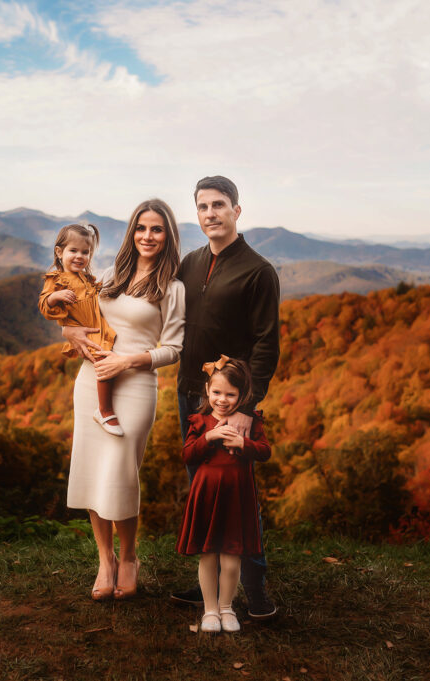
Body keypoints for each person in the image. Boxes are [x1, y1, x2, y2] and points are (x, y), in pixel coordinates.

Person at [59, 198, 185, 601]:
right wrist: (69, 332)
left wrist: (126, 361)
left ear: (168, 236)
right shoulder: (110, 274)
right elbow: (81, 314)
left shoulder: (173, 287)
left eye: (157, 229)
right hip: (91, 381)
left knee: (120, 474)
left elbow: (175, 348)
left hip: (135, 386)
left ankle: (129, 557)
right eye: (141, 228)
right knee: (93, 470)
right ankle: (105, 560)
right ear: (132, 232)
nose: (148, 236)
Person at [172, 175, 281, 619]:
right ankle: (211, 584)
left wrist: (244, 413)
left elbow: (266, 345)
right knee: (204, 487)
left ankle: (253, 587)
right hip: (190, 396)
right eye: (202, 206)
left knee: (237, 493)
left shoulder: (257, 270)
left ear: (237, 211)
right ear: (196, 214)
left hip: (231, 403)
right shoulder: (190, 263)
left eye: (219, 205)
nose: (211, 213)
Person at [176, 357, 271, 633]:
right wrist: (208, 438)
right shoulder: (199, 421)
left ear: (242, 396)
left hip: (236, 496)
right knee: (208, 554)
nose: (223, 399)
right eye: (217, 392)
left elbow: (265, 451)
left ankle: (227, 607)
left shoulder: (250, 423)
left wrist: (244, 443)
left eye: (231, 394)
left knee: (231, 558)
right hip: (207, 494)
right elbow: (187, 455)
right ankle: (210, 610)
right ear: (207, 390)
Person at [38, 223, 123, 436]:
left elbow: (95, 294)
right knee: (103, 361)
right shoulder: (56, 279)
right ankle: (104, 410)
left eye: (85, 252)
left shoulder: (86, 278)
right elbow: (43, 305)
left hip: (98, 325)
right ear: (59, 252)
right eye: (73, 251)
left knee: (110, 356)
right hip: (85, 330)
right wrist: (55, 297)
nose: (79, 256)